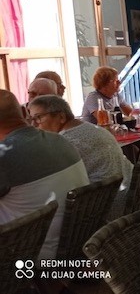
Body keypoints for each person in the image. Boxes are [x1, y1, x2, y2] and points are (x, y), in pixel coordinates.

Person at [0, 90, 90, 260]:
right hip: (75, 239)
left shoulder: (4, 156)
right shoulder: (61, 140)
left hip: (30, 252)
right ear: (25, 112)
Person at [28, 95, 133, 185]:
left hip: (108, 203)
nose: (34, 124)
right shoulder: (94, 128)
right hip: (131, 193)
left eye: (38, 117)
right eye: (31, 119)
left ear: (61, 117)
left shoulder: (64, 143)